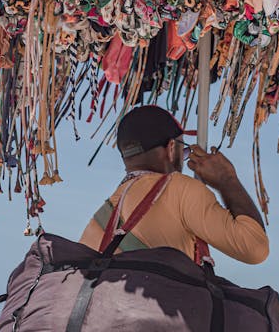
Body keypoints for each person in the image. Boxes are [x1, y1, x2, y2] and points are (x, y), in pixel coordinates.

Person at [80, 105, 269, 264]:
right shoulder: (180, 188)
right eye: (183, 150)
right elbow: (254, 248)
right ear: (171, 148)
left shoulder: (111, 205)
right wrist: (227, 180)